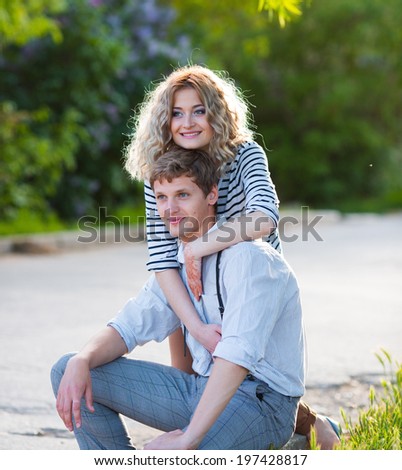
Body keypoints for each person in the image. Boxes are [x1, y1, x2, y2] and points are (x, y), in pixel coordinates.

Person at [123, 64, 340, 448]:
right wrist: (196, 326)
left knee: (255, 371)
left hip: (249, 284)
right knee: (193, 365)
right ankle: (199, 424)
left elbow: (264, 218)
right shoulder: (161, 168)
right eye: (176, 113)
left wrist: (198, 248)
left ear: (217, 113)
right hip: (194, 282)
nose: (187, 122)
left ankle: (309, 424)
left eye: (198, 110)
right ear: (165, 119)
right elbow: (161, 259)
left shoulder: (245, 155)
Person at [51, 148, 305, 450]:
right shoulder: (178, 266)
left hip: (261, 404)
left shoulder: (250, 259)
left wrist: (188, 438)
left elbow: (237, 357)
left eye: (182, 195)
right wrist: (83, 359)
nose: (169, 208)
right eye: (161, 197)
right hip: (200, 389)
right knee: (70, 369)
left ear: (211, 195)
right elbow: (128, 327)